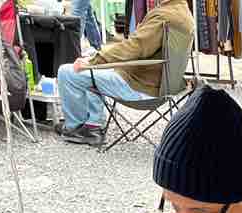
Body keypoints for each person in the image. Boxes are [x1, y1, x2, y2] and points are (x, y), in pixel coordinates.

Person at [55, 0, 192, 146]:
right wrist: (98, 60)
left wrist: (95, 61)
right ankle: (93, 125)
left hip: (141, 87)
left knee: (67, 72)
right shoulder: (184, 14)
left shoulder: (164, 15)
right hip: (162, 85)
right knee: (94, 67)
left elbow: (135, 47)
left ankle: (75, 127)